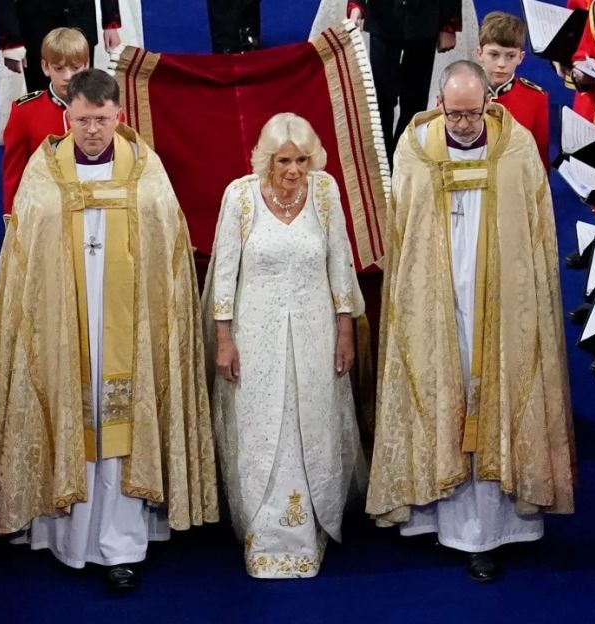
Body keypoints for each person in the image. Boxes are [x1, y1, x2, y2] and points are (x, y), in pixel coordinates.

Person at [0, 69, 218, 593]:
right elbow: (26, 254)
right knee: (74, 413)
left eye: (102, 120)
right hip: (66, 327)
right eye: (83, 120)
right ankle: (67, 536)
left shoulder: (145, 172)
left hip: (129, 325)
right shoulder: (46, 171)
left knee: (122, 424)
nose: (91, 131)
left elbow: (168, 251)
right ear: (68, 116)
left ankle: (121, 544)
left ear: (119, 116)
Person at [367, 60, 575, 582]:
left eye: (471, 112)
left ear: (488, 103)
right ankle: (434, 515)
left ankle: (488, 532)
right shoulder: (415, 150)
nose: (462, 123)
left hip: (502, 305)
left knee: (495, 397)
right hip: (436, 304)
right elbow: (404, 234)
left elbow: (538, 232)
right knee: (443, 396)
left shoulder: (517, 148)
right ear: (439, 103)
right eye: (453, 113)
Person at [206, 113, 364, 579]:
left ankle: (309, 526)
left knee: (308, 423)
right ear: (265, 160)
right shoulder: (239, 197)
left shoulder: (325, 191)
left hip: (316, 333)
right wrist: (223, 340)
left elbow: (341, 262)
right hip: (255, 334)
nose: (293, 170)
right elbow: (225, 273)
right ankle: (262, 531)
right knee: (260, 428)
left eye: (301, 160)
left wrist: (345, 330)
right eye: (283, 161)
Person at [348, 0, 463, 161]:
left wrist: (449, 25)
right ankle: (381, 162)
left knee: (415, 100)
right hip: (383, 18)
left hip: (425, 19)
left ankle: (403, 158)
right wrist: (356, 6)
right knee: (380, 98)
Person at [2, 27, 91, 216]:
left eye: (75, 68)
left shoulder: (104, 109)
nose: (67, 76)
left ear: (87, 65)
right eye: (59, 68)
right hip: (44, 212)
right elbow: (14, 174)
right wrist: (14, 220)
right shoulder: (24, 111)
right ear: (45, 67)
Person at [476, 12, 550, 170]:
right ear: (480, 53)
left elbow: (540, 158)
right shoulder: (457, 93)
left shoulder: (536, 98)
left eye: (510, 56)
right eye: (494, 55)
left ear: (521, 57)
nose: (501, 64)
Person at [0, 0, 120, 92]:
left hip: (81, 20)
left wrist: (111, 22)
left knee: (82, 94)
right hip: (36, 28)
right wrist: (11, 42)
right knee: (42, 100)